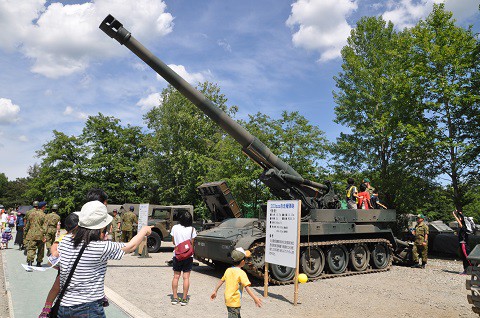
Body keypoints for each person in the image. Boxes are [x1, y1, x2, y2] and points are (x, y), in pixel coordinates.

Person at [56, 200, 152, 317]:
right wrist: (144, 230)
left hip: (64, 305)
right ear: (101, 227)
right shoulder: (100, 247)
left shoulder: (65, 241)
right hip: (88, 307)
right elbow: (131, 246)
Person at [39, 213, 79, 318]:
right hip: (65, 267)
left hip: (78, 268)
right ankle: (47, 308)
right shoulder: (64, 237)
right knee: (57, 287)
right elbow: (54, 246)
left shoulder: (83, 237)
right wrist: (54, 252)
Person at [210, 247, 262, 317]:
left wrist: (215, 291)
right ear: (243, 262)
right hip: (234, 302)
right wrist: (255, 298)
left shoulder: (228, 270)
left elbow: (221, 281)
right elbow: (247, 287)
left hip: (228, 299)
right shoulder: (241, 273)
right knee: (234, 314)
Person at [171, 210, 197, 306]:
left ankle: (174, 298)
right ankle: (184, 299)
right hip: (188, 256)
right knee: (186, 278)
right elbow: (192, 243)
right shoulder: (192, 230)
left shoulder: (175, 228)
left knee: (176, 277)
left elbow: (173, 242)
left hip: (177, 255)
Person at [25, 201, 47, 267]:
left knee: (31, 248)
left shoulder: (31, 214)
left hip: (31, 234)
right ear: (43, 207)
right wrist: (44, 235)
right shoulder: (44, 215)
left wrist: (25, 233)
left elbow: (27, 225)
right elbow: (45, 227)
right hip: (40, 235)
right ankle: (39, 263)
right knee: (41, 249)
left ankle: (30, 262)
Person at [452, 210, 471, 274]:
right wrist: (459, 214)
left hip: (464, 244)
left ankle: (468, 270)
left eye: (461, 218)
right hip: (462, 243)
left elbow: (459, 221)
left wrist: (455, 215)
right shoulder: (464, 228)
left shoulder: (464, 227)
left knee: (466, 257)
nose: (459, 219)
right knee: (464, 257)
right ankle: (466, 270)